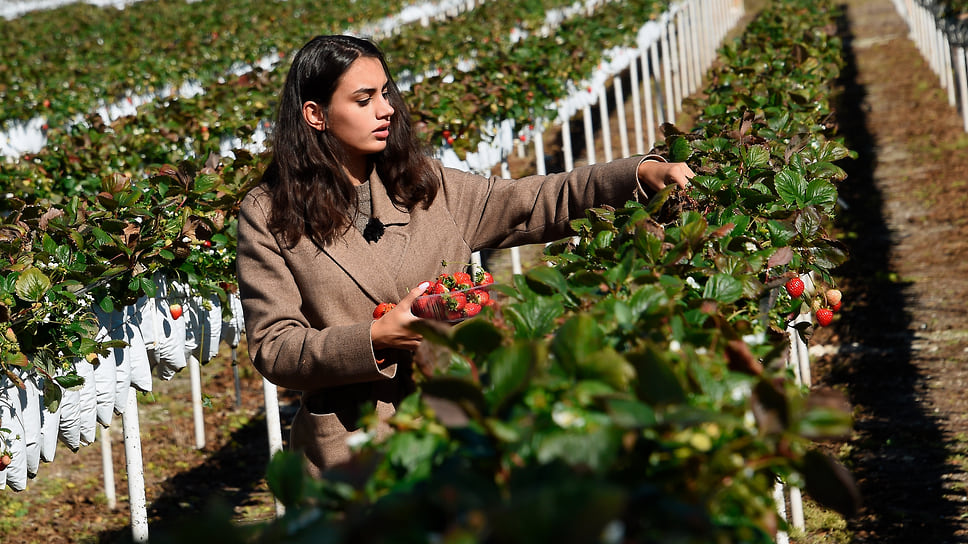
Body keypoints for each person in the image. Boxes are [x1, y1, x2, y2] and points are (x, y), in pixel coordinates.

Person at [236, 34, 695, 476]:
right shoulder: (270, 213)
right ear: (315, 114)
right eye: (363, 99)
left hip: (456, 425)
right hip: (350, 451)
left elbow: (535, 200)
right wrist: (373, 338)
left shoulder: (424, 186)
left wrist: (639, 173)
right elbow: (274, 345)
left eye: (385, 93)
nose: (386, 109)